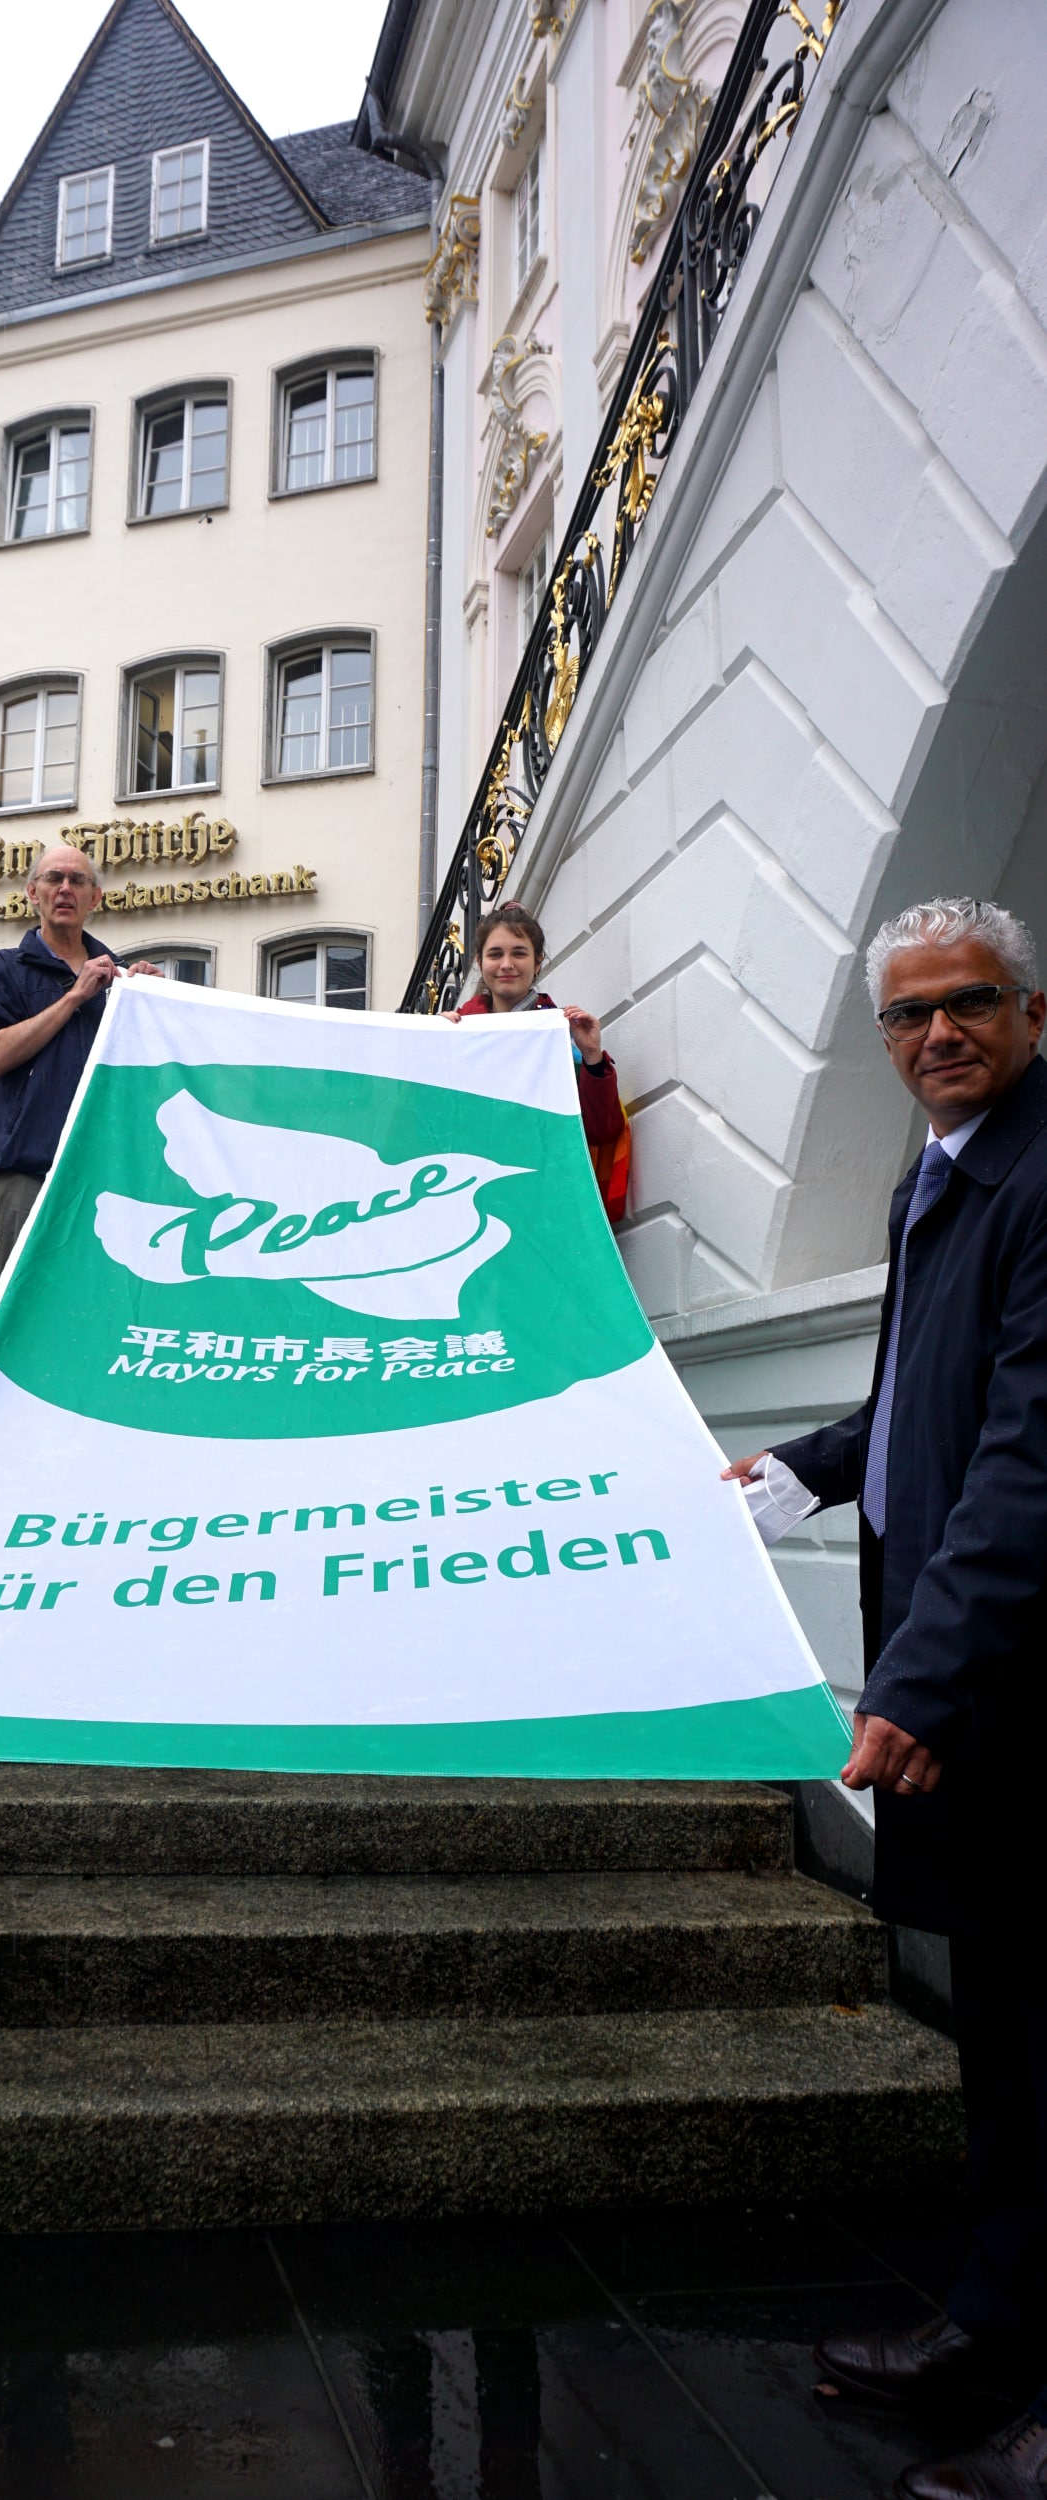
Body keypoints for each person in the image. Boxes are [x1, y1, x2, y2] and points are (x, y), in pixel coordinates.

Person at [723, 897, 1047, 2500]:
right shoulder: (940, 1169)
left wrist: (911, 1676)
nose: (937, 1034)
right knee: (1001, 2037)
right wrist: (792, 1473)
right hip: (974, 1691)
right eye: (908, 1014)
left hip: (1006, 1682)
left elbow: (1025, 1453)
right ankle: (995, 2330)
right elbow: (919, 1395)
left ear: (1029, 1010)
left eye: (967, 1004)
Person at [0, 843, 154, 1278]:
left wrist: (157, 1002)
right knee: (29, 1297)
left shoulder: (122, 980)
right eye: (53, 879)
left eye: (78, 880)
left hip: (111, 1170)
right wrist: (74, 997)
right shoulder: (2, 969)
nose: (65, 888)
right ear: (33, 892)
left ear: (95, 898)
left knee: (106, 1298)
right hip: (29, 1168)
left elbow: (152, 1071)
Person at [450, 904, 629, 1214]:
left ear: (537, 964)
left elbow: (603, 1131)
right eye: (495, 954)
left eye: (519, 953)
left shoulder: (562, 1037)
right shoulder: (454, 1031)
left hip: (543, 1199)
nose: (506, 964)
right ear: (480, 963)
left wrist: (592, 1057)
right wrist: (434, 1042)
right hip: (467, 1197)